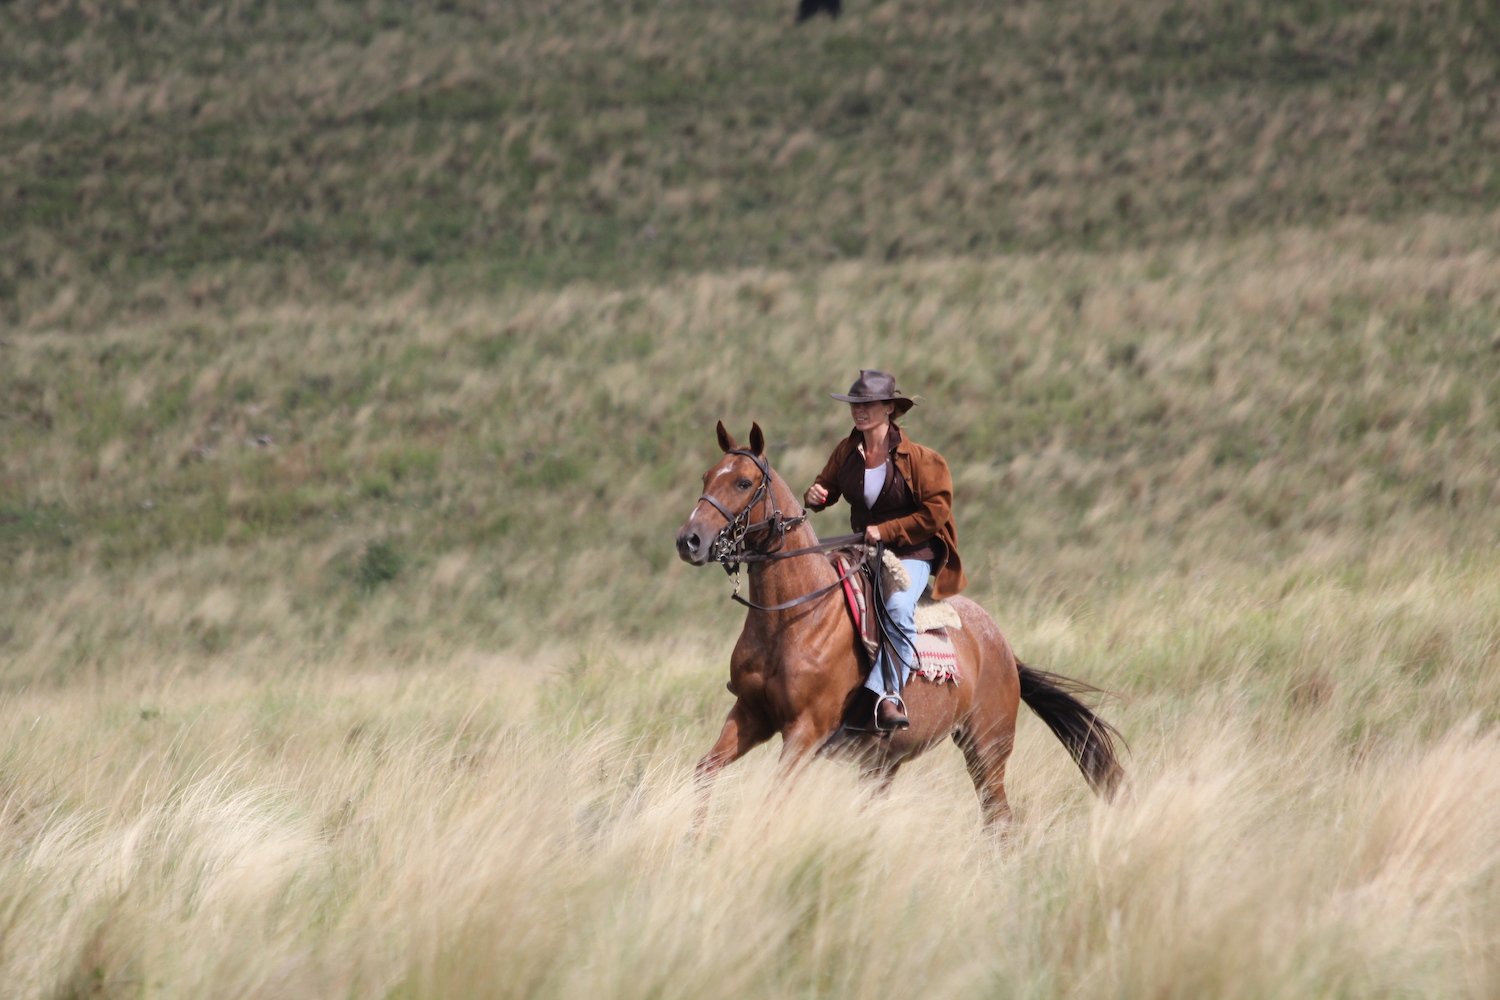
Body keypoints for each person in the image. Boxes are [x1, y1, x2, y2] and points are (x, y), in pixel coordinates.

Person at [803, 370, 967, 730]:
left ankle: (886, 694)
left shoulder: (923, 460)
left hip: (912, 554)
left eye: (868, 405)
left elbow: (936, 512)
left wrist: (888, 529)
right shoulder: (847, 451)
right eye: (855, 405)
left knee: (896, 607)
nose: (859, 411)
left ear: (889, 408)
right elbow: (825, 487)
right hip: (863, 549)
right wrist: (816, 496)